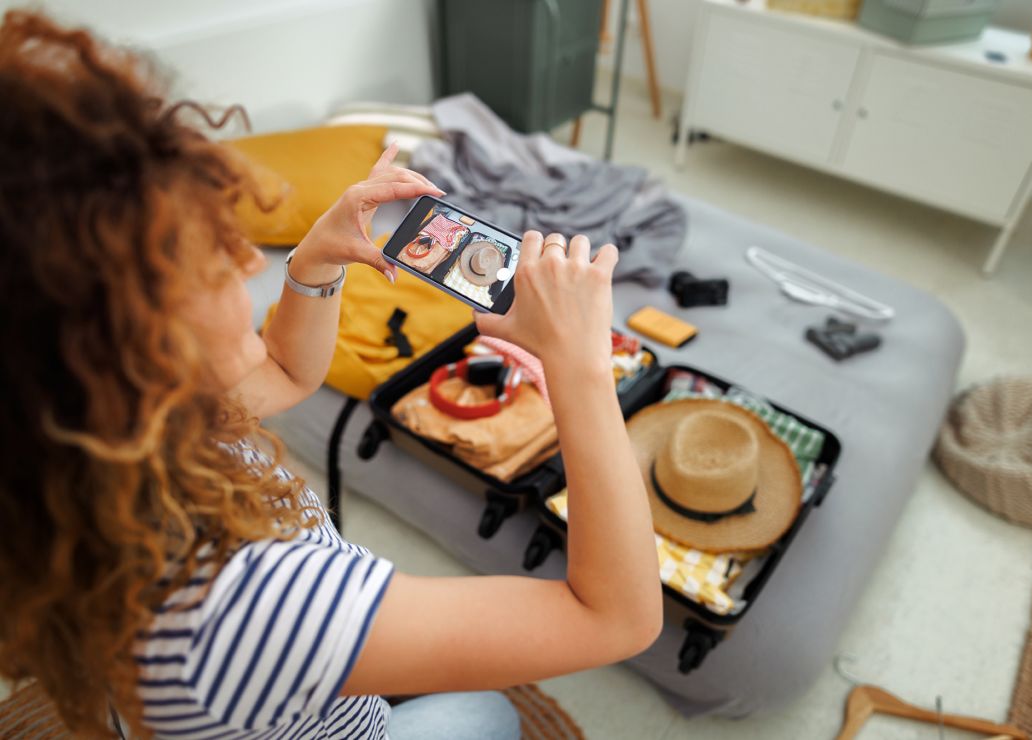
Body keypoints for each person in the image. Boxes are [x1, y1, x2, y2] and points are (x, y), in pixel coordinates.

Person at [0, 11, 662, 740]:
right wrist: (582, 370)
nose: (249, 263)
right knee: (490, 714)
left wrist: (315, 262)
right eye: (206, 259)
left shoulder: (99, 450)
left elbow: (283, 371)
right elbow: (615, 619)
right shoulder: (249, 604)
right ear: (114, 344)